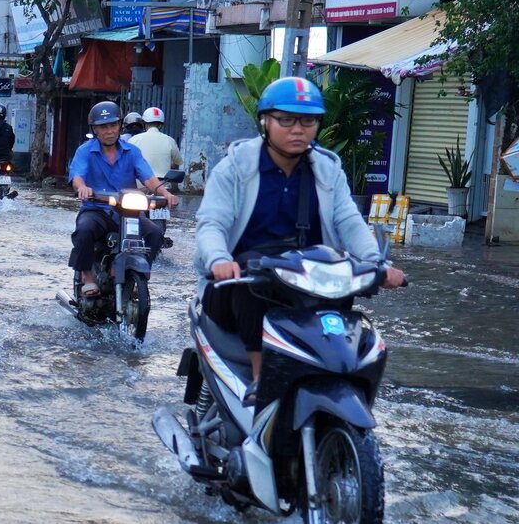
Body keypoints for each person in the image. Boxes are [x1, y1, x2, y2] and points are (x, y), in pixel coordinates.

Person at [194, 76, 406, 406]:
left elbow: (348, 221)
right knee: (252, 278)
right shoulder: (235, 168)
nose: (298, 130)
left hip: (308, 279)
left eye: (308, 121)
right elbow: (212, 223)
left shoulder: (327, 169)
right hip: (241, 281)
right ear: (264, 122)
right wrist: (219, 259)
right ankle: (261, 376)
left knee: (345, 293)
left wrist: (377, 263)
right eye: (287, 120)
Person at [69, 100, 179, 299]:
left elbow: (148, 176)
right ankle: (86, 275)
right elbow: (77, 175)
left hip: (126, 212)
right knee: (84, 230)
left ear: (120, 126)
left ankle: (139, 275)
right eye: (103, 127)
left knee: (155, 232)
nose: (109, 131)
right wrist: (82, 187)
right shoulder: (85, 151)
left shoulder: (132, 151)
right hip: (96, 209)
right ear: (95, 129)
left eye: (113, 125)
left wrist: (166, 194)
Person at [133, 106, 182, 180]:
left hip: (140, 184)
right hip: (162, 185)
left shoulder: (134, 139)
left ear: (144, 123)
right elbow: (177, 162)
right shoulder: (170, 140)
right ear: (161, 125)